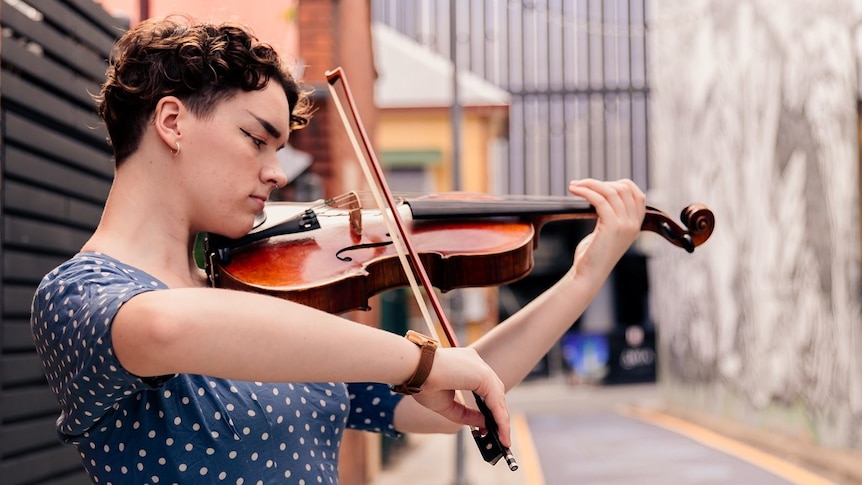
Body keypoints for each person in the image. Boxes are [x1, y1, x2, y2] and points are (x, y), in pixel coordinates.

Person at [29, 16, 646, 485]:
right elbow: (164, 326)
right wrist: (422, 363)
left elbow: (458, 396)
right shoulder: (80, 296)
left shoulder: (248, 292)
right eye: (256, 138)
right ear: (172, 121)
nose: (277, 173)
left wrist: (585, 275)